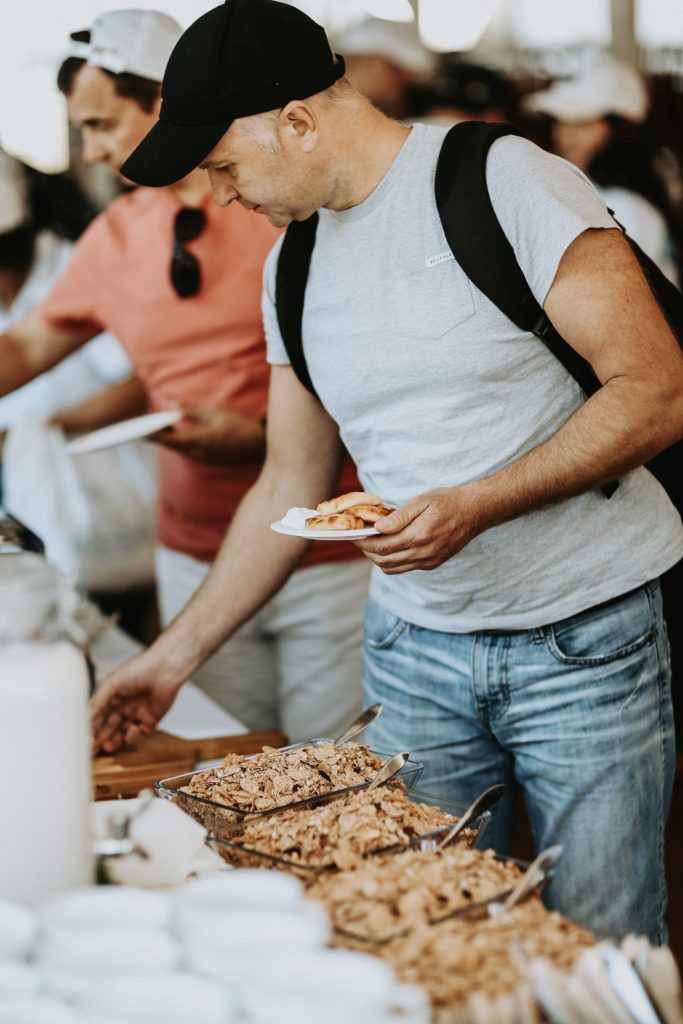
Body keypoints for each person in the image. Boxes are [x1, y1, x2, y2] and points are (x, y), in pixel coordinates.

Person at [91, 0, 683, 943]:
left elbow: (654, 392)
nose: (219, 193)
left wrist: (479, 505)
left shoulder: (504, 180)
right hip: (411, 655)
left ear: (296, 119)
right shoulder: (290, 266)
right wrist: (168, 660)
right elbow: (288, 482)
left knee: (595, 936)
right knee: (415, 928)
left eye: (223, 164)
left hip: (580, 638)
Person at [0, 8, 369, 740]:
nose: (93, 150)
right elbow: (26, 350)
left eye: (104, 123)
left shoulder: (282, 204)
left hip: (326, 549)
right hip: (193, 553)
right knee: (225, 766)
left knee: (331, 777)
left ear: (163, 102)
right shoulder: (117, 235)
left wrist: (257, 435)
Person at [0, 145, 137, 492]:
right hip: (26, 485)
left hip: (111, 484)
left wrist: (44, 426)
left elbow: (142, 386)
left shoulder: (77, 268)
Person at [525, 56, 680, 284]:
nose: (563, 135)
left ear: (622, 130)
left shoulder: (625, 208)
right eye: (560, 122)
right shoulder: (594, 193)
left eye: (582, 123)